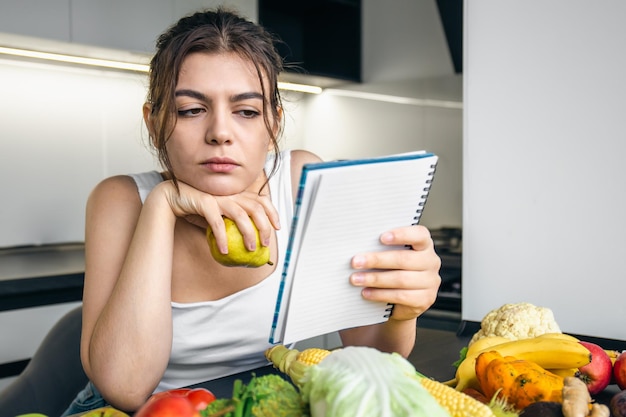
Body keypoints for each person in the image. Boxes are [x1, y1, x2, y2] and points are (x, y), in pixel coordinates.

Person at [62, 7, 442, 415]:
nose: (220, 133)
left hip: (263, 403)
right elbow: (125, 389)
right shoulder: (120, 200)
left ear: (273, 124)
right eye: (191, 110)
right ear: (154, 124)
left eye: (246, 111)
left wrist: (402, 313)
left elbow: (373, 357)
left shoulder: (301, 180)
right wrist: (163, 204)